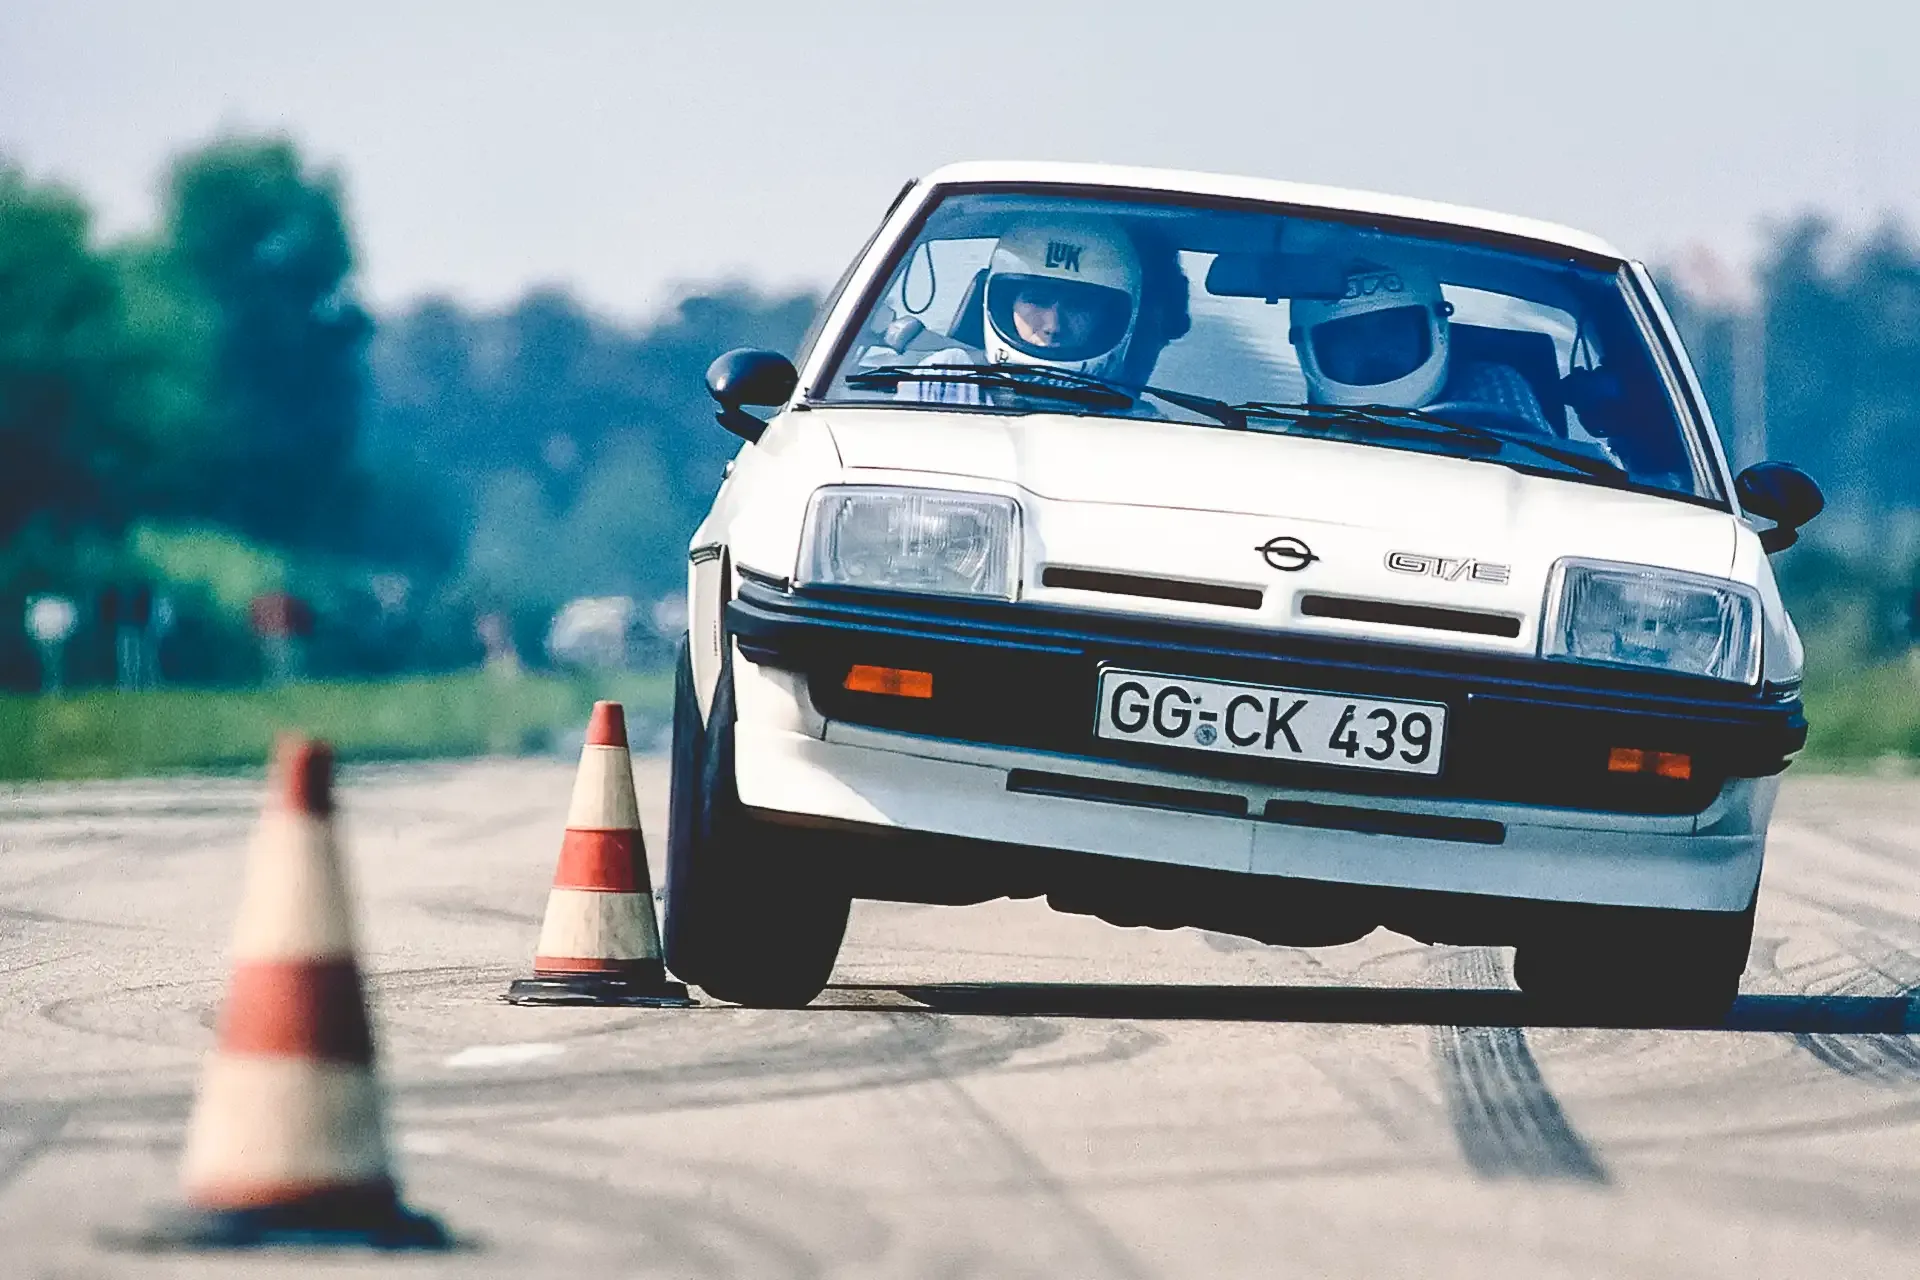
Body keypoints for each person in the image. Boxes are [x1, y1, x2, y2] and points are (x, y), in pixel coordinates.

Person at [903, 215, 1186, 405]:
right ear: (1003, 303)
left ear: (1106, 317)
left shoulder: (1135, 421)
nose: (1053, 325)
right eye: (1036, 300)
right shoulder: (942, 380)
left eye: (1078, 305)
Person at [1290, 261, 1553, 433]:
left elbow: (1538, 473)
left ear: (1436, 330)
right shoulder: (1295, 447)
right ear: (1310, 350)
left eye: (1392, 328)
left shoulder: (1491, 385)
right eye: (1348, 335)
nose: (1374, 348)